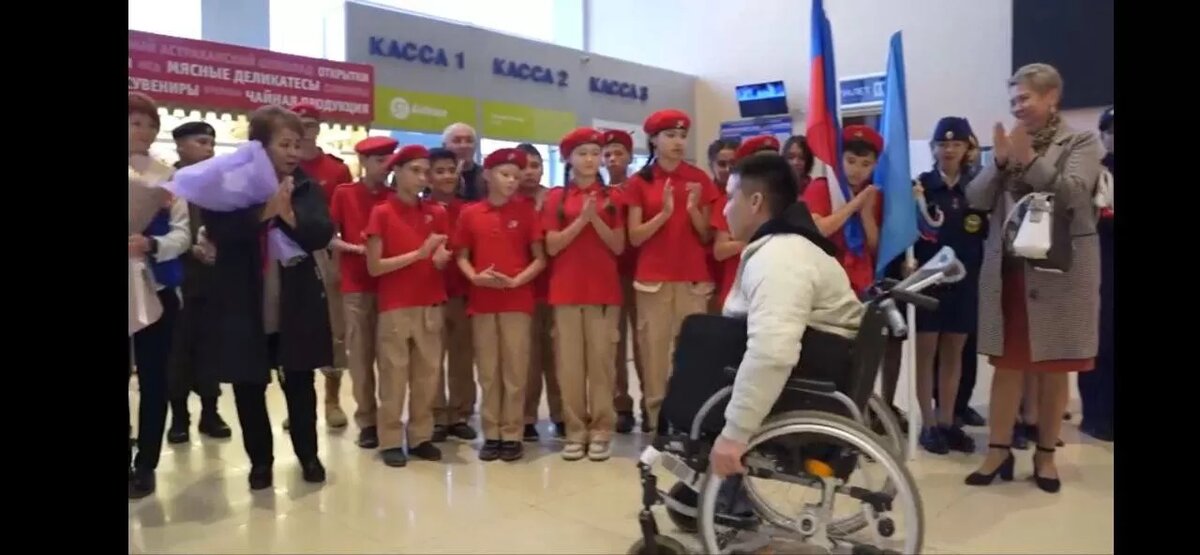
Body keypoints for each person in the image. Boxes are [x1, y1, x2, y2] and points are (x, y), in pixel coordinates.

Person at [964, 63, 1102, 494]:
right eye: (1013, 100)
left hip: (1058, 273)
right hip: (1011, 272)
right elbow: (975, 198)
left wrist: (1029, 159)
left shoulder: (1082, 142)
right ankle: (998, 450)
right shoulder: (1008, 142)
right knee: (1006, 365)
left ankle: (1045, 456)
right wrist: (998, 161)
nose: (1017, 107)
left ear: (1051, 97)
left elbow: (1075, 195)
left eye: (1024, 98)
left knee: (1054, 367)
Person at [200, 105, 335, 490]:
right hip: (244, 301)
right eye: (284, 144)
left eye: (297, 144)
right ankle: (260, 462)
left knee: (300, 382)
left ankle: (308, 456)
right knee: (248, 386)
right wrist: (263, 212)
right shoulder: (232, 186)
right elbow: (219, 231)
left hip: (295, 301)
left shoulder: (305, 185)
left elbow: (320, 233)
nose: (293, 152)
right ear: (259, 146)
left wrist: (288, 215)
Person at [709, 153, 863, 477]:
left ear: (755, 202)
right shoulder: (790, 247)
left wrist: (734, 433)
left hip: (802, 390)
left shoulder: (779, 258)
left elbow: (772, 352)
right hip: (817, 370)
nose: (724, 210)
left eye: (730, 198)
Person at [624, 108, 719, 434]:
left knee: (692, 353)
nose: (678, 142)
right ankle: (656, 422)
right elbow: (635, 236)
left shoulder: (699, 179)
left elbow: (706, 235)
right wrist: (663, 214)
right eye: (670, 135)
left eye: (682, 136)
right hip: (654, 279)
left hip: (692, 278)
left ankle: (689, 420)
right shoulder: (640, 181)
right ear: (654, 140)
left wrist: (691, 210)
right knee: (654, 353)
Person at [453, 148, 547, 462]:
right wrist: (474, 277)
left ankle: (512, 433)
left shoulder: (526, 211)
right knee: (488, 371)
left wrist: (518, 281)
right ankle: (491, 432)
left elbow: (540, 258)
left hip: (517, 301)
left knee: (515, 370)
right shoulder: (471, 213)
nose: (511, 181)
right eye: (505, 175)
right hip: (482, 302)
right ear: (487, 175)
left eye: (516, 177)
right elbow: (461, 255)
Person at [364, 145, 452, 467]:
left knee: (427, 376)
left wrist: (441, 258)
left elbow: (440, 255)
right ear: (397, 172)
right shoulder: (382, 212)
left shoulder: (437, 212)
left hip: (430, 302)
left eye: (425, 171)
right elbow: (375, 267)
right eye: (414, 170)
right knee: (393, 376)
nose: (422, 177)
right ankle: (389, 439)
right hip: (396, 305)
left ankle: (420, 436)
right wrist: (419, 254)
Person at [542, 128, 626, 461]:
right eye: (582, 153)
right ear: (568, 158)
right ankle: (575, 430)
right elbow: (552, 245)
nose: (590, 160)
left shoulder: (613, 197)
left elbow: (618, 245)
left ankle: (602, 428)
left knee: (602, 365)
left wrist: (595, 220)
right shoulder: (556, 198)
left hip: (603, 291)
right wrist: (581, 221)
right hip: (566, 290)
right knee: (569, 366)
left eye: (594, 153)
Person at [128, 92, 191, 499]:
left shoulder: (168, 177)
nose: (145, 131)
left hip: (158, 288)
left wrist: (151, 244)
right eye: (136, 123)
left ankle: (146, 462)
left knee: (154, 380)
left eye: (151, 125)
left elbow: (183, 234)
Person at [911, 117, 985, 455]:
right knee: (927, 354)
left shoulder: (977, 188)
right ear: (933, 148)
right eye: (943, 144)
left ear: (968, 148)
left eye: (956, 144)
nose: (949, 150)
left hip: (965, 281)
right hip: (930, 282)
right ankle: (927, 424)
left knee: (954, 353)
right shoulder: (921, 187)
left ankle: (946, 421)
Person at [328, 136, 399, 449]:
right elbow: (329, 236)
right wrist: (357, 249)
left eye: (389, 161)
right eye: (379, 161)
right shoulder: (345, 194)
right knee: (359, 356)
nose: (386, 167)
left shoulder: (395, 197)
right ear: (364, 162)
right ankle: (367, 420)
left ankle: (389, 419)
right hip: (356, 285)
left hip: (390, 286)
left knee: (391, 359)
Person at [165, 121, 232, 445]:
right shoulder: (167, 182)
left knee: (210, 349)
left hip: (212, 280)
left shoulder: (217, 184)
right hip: (177, 278)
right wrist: (188, 247)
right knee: (177, 350)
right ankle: (179, 417)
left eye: (211, 144)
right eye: (201, 142)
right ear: (180, 145)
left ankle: (210, 412)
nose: (209, 149)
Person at [293, 103, 351, 430]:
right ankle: (299, 402)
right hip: (288, 254)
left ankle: (332, 399)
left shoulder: (336, 169)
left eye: (311, 124)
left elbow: (343, 220)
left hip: (327, 254)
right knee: (293, 329)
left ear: (319, 128)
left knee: (333, 329)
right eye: (300, 124)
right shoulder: (281, 166)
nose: (306, 130)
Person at [426, 147, 479, 443]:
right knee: (432, 358)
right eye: (439, 171)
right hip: (430, 294)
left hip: (462, 292)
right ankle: (436, 414)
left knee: (462, 356)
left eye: (451, 170)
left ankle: (460, 413)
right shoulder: (419, 210)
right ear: (428, 176)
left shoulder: (468, 210)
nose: (447, 176)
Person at [516, 143, 563, 441]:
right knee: (528, 360)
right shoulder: (508, 202)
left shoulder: (556, 198)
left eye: (535, 165)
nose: (529, 172)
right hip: (522, 291)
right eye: (523, 167)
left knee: (559, 358)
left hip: (557, 287)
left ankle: (562, 414)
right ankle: (526, 417)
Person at [603, 130, 645, 434]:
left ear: (630, 156)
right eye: (607, 154)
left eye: (618, 153)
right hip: (609, 274)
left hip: (641, 271)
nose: (612, 159)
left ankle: (650, 403)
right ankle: (621, 404)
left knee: (644, 342)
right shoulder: (598, 193)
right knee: (614, 342)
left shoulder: (640, 188)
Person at [1078, 106, 1114, 442]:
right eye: (1111, 130)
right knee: (1099, 342)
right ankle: (1095, 415)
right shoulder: (1094, 173)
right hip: (1100, 268)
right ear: (1102, 135)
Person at [711, 136, 779, 312]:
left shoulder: (786, 201)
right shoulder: (730, 202)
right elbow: (720, 250)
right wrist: (758, 241)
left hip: (774, 286)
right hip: (738, 288)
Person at [705, 138, 741, 313]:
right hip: (707, 273)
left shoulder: (743, 196)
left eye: (733, 163)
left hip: (734, 273)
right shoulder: (703, 194)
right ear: (711, 165)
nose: (728, 169)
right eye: (721, 164)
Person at [442, 122, 485, 201]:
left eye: (469, 141)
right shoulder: (435, 178)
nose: (464, 146)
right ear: (444, 146)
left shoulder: (486, 177)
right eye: (457, 141)